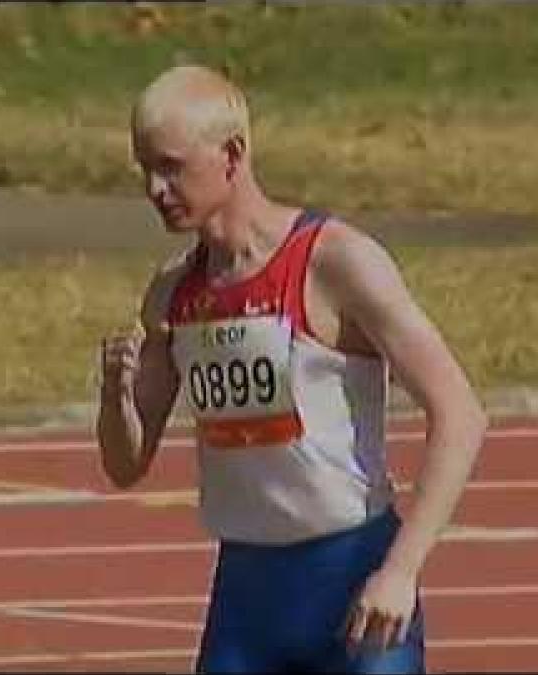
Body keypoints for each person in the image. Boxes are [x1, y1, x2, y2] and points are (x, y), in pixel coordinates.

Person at [96, 64, 488, 674]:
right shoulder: (173, 292)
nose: (155, 188)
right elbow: (125, 465)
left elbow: (460, 414)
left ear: (232, 155)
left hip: (353, 585)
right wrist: (114, 400)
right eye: (144, 168)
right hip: (247, 599)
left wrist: (401, 571)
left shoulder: (334, 261)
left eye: (171, 166)